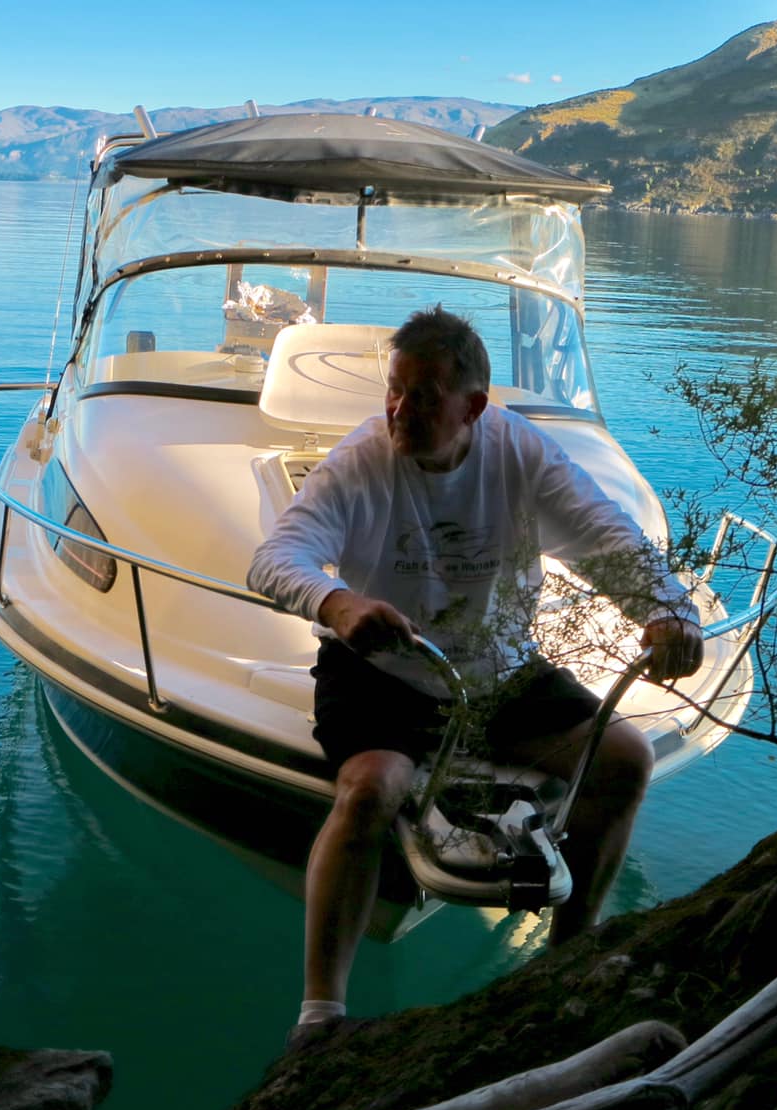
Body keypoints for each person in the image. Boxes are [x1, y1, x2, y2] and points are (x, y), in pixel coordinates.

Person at [246, 306, 704, 1039]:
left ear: (474, 406)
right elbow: (275, 559)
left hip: (497, 668)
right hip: (382, 671)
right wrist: (337, 603)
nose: (400, 409)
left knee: (626, 756)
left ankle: (565, 958)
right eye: (393, 391)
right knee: (369, 788)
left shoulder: (521, 454)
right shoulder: (362, 461)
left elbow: (602, 534)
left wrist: (666, 608)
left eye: (423, 396)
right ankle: (321, 1010)